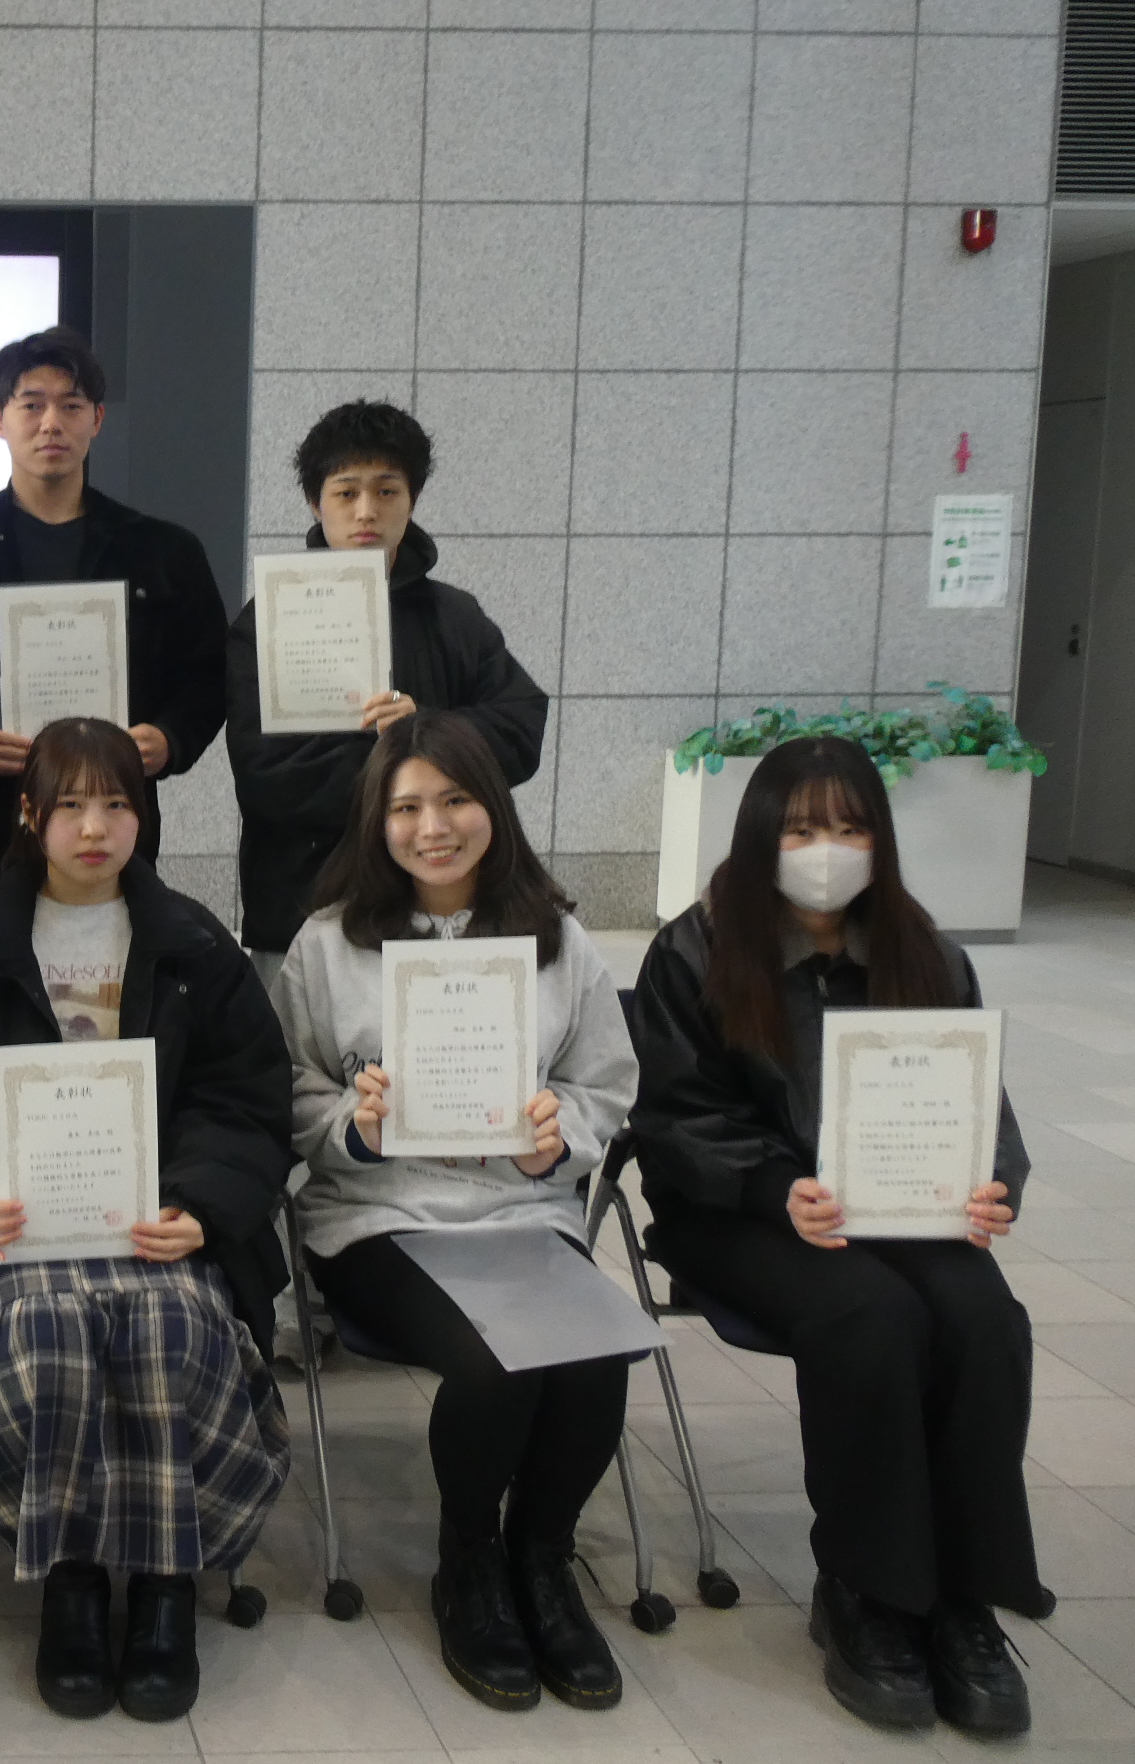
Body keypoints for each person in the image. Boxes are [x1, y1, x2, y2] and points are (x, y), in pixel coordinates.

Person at [0, 718, 291, 1723]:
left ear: (143, 815)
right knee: (49, 1331)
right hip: (14, 1231)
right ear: (29, 815)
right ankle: (70, 1579)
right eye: (69, 805)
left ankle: (161, 1581)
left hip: (157, 1224)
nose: (95, 827)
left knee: (168, 1320)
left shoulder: (193, 944)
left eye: (115, 804)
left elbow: (244, 1095)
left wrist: (199, 1205)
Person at [630, 736, 1039, 1738]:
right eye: (803, 827)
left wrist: (991, 1187)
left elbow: (977, 1101)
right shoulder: (695, 950)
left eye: (850, 827)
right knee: (870, 1315)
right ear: (760, 835)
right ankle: (869, 1592)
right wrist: (778, 1188)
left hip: (897, 1202)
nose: (827, 849)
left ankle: (964, 1598)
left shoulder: (925, 952)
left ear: (879, 840)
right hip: (738, 1211)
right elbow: (673, 1117)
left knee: (984, 1318)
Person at [271, 712, 638, 1714]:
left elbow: (604, 1083)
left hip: (521, 1210)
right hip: (378, 1217)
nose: (431, 828)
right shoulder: (326, 943)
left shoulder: (558, 940)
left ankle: (543, 1558)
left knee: (593, 1353)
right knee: (494, 1359)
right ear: (375, 821)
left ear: (493, 808)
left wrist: (557, 1135)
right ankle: (470, 1560)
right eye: (406, 808)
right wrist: (354, 1125)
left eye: (455, 800)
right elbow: (290, 1090)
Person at [0, 326, 229, 925]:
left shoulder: (162, 551)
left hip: (111, 834)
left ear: (98, 419)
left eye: (71, 406)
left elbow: (207, 674)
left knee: (108, 977)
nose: (51, 423)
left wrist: (171, 737)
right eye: (31, 405)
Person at [225, 400, 547, 960]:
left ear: (412, 499)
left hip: (446, 907)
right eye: (346, 493)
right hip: (303, 905)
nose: (366, 511)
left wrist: (428, 728)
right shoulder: (271, 620)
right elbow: (265, 774)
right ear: (316, 503)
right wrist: (407, 764)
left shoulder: (456, 617)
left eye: (387, 490)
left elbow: (521, 730)